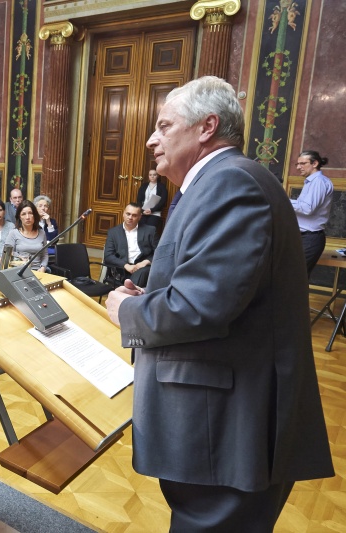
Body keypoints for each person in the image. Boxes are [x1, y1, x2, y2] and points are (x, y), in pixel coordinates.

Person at [104, 76, 333, 531]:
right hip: (221, 420)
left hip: (229, 426)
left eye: (164, 126)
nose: (151, 140)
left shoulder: (230, 183)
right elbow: (220, 290)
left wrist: (125, 311)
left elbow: (200, 307)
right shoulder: (218, 182)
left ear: (207, 126)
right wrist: (155, 297)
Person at [291, 150, 333, 277]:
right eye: (297, 164)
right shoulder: (311, 181)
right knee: (294, 278)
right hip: (303, 237)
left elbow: (307, 208)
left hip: (311, 238)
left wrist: (283, 200)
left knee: (296, 277)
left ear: (315, 163)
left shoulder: (318, 181)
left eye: (303, 163)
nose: (298, 167)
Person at [103, 203, 156, 287]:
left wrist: (146, 261)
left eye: (134, 215)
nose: (130, 217)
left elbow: (160, 251)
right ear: (123, 214)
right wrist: (126, 265)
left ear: (140, 217)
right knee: (133, 279)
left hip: (142, 267)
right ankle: (130, 291)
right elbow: (108, 256)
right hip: (123, 268)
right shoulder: (113, 232)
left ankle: (127, 292)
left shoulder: (150, 230)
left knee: (141, 273)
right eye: (128, 214)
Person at [5, 200, 48, 272]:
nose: (27, 217)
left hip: (38, 271)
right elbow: (7, 253)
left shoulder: (42, 233)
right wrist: (19, 257)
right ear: (19, 217)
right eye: (23, 214)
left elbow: (45, 255)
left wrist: (43, 267)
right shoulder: (13, 233)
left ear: (34, 215)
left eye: (30, 213)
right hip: (19, 271)